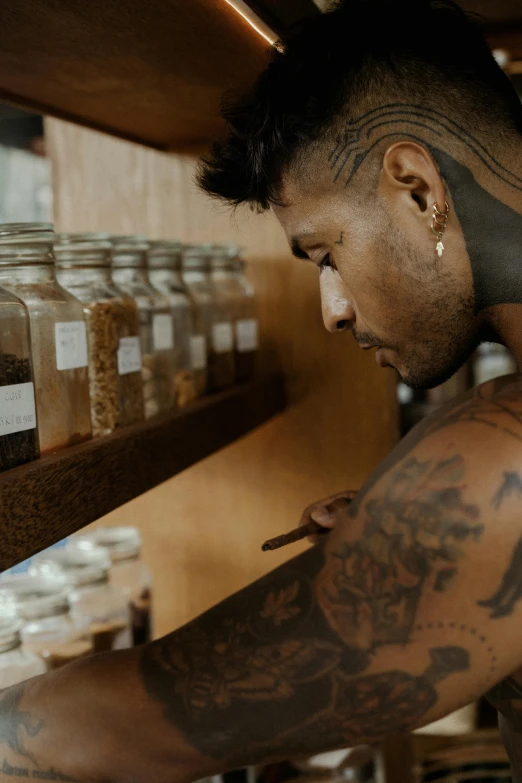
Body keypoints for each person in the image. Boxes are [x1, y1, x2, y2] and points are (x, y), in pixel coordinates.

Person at [2, 0, 522, 780]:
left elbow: (108, 731)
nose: (333, 308)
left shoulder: (501, 461)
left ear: (417, 189)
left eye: (324, 253)